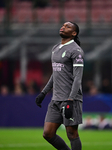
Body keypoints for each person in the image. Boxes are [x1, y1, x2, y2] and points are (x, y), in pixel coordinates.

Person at [35, 21, 84, 150]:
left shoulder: (76, 51)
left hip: (70, 99)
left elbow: (78, 78)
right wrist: (43, 93)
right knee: (48, 134)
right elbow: (55, 74)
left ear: (74, 33)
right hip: (55, 99)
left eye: (67, 26)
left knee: (72, 134)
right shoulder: (55, 48)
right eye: (63, 25)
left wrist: (71, 100)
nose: (63, 27)